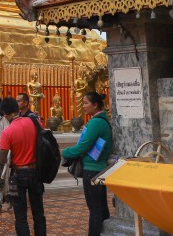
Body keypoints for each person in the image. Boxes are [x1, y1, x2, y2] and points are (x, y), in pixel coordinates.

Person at [62, 92, 113, 236]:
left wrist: (64, 152)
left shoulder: (96, 122)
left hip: (92, 169)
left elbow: (83, 146)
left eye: (85, 103)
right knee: (101, 207)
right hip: (98, 168)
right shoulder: (101, 120)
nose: (83, 106)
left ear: (95, 105)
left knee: (95, 209)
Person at [0, 97, 45, 236]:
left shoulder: (7, 132)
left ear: (5, 114)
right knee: (38, 212)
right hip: (36, 171)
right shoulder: (33, 122)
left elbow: (2, 158)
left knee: (20, 214)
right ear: (17, 109)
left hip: (18, 174)